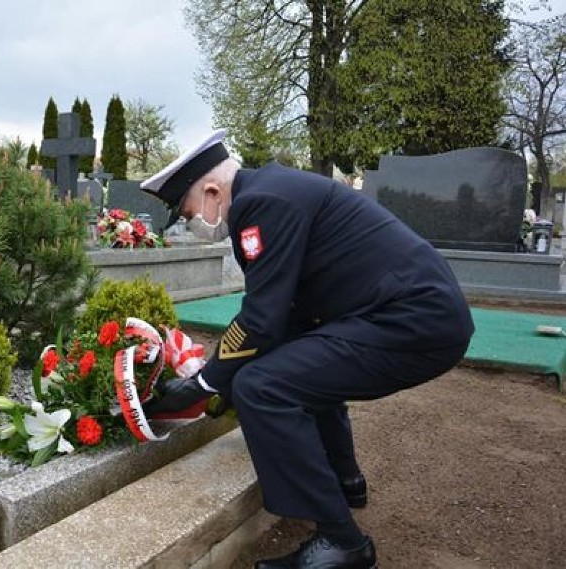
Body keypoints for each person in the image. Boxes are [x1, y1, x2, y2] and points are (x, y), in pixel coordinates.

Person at [140, 130, 474, 569]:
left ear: (211, 191)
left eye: (186, 214)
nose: (191, 224)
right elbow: (286, 321)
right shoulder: (270, 190)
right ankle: (343, 481)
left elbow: (261, 319)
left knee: (265, 387)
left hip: (412, 320)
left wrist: (201, 383)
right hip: (411, 313)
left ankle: (342, 542)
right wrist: (224, 381)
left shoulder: (260, 205)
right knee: (294, 369)